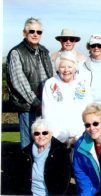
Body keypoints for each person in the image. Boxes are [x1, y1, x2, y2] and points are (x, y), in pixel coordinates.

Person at [6, 17, 54, 149]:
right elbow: (19, 82)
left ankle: (41, 170)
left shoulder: (44, 51)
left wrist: (50, 100)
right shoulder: (17, 53)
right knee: (28, 145)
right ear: (24, 33)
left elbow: (51, 77)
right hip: (28, 107)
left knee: (44, 144)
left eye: (39, 32)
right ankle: (27, 170)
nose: (35, 34)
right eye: (31, 31)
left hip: (45, 106)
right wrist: (36, 102)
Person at [42, 51, 92, 145]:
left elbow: (89, 109)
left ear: (75, 68)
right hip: (58, 139)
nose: (66, 70)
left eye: (69, 67)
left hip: (82, 137)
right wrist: (60, 137)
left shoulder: (83, 82)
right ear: (57, 68)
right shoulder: (50, 84)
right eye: (62, 67)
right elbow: (47, 114)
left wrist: (80, 136)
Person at [17, 117, 71, 195]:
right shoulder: (25, 153)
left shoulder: (60, 151)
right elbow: (19, 181)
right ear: (33, 136)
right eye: (37, 133)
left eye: (45, 133)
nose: (41, 136)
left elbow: (64, 182)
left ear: (51, 134)